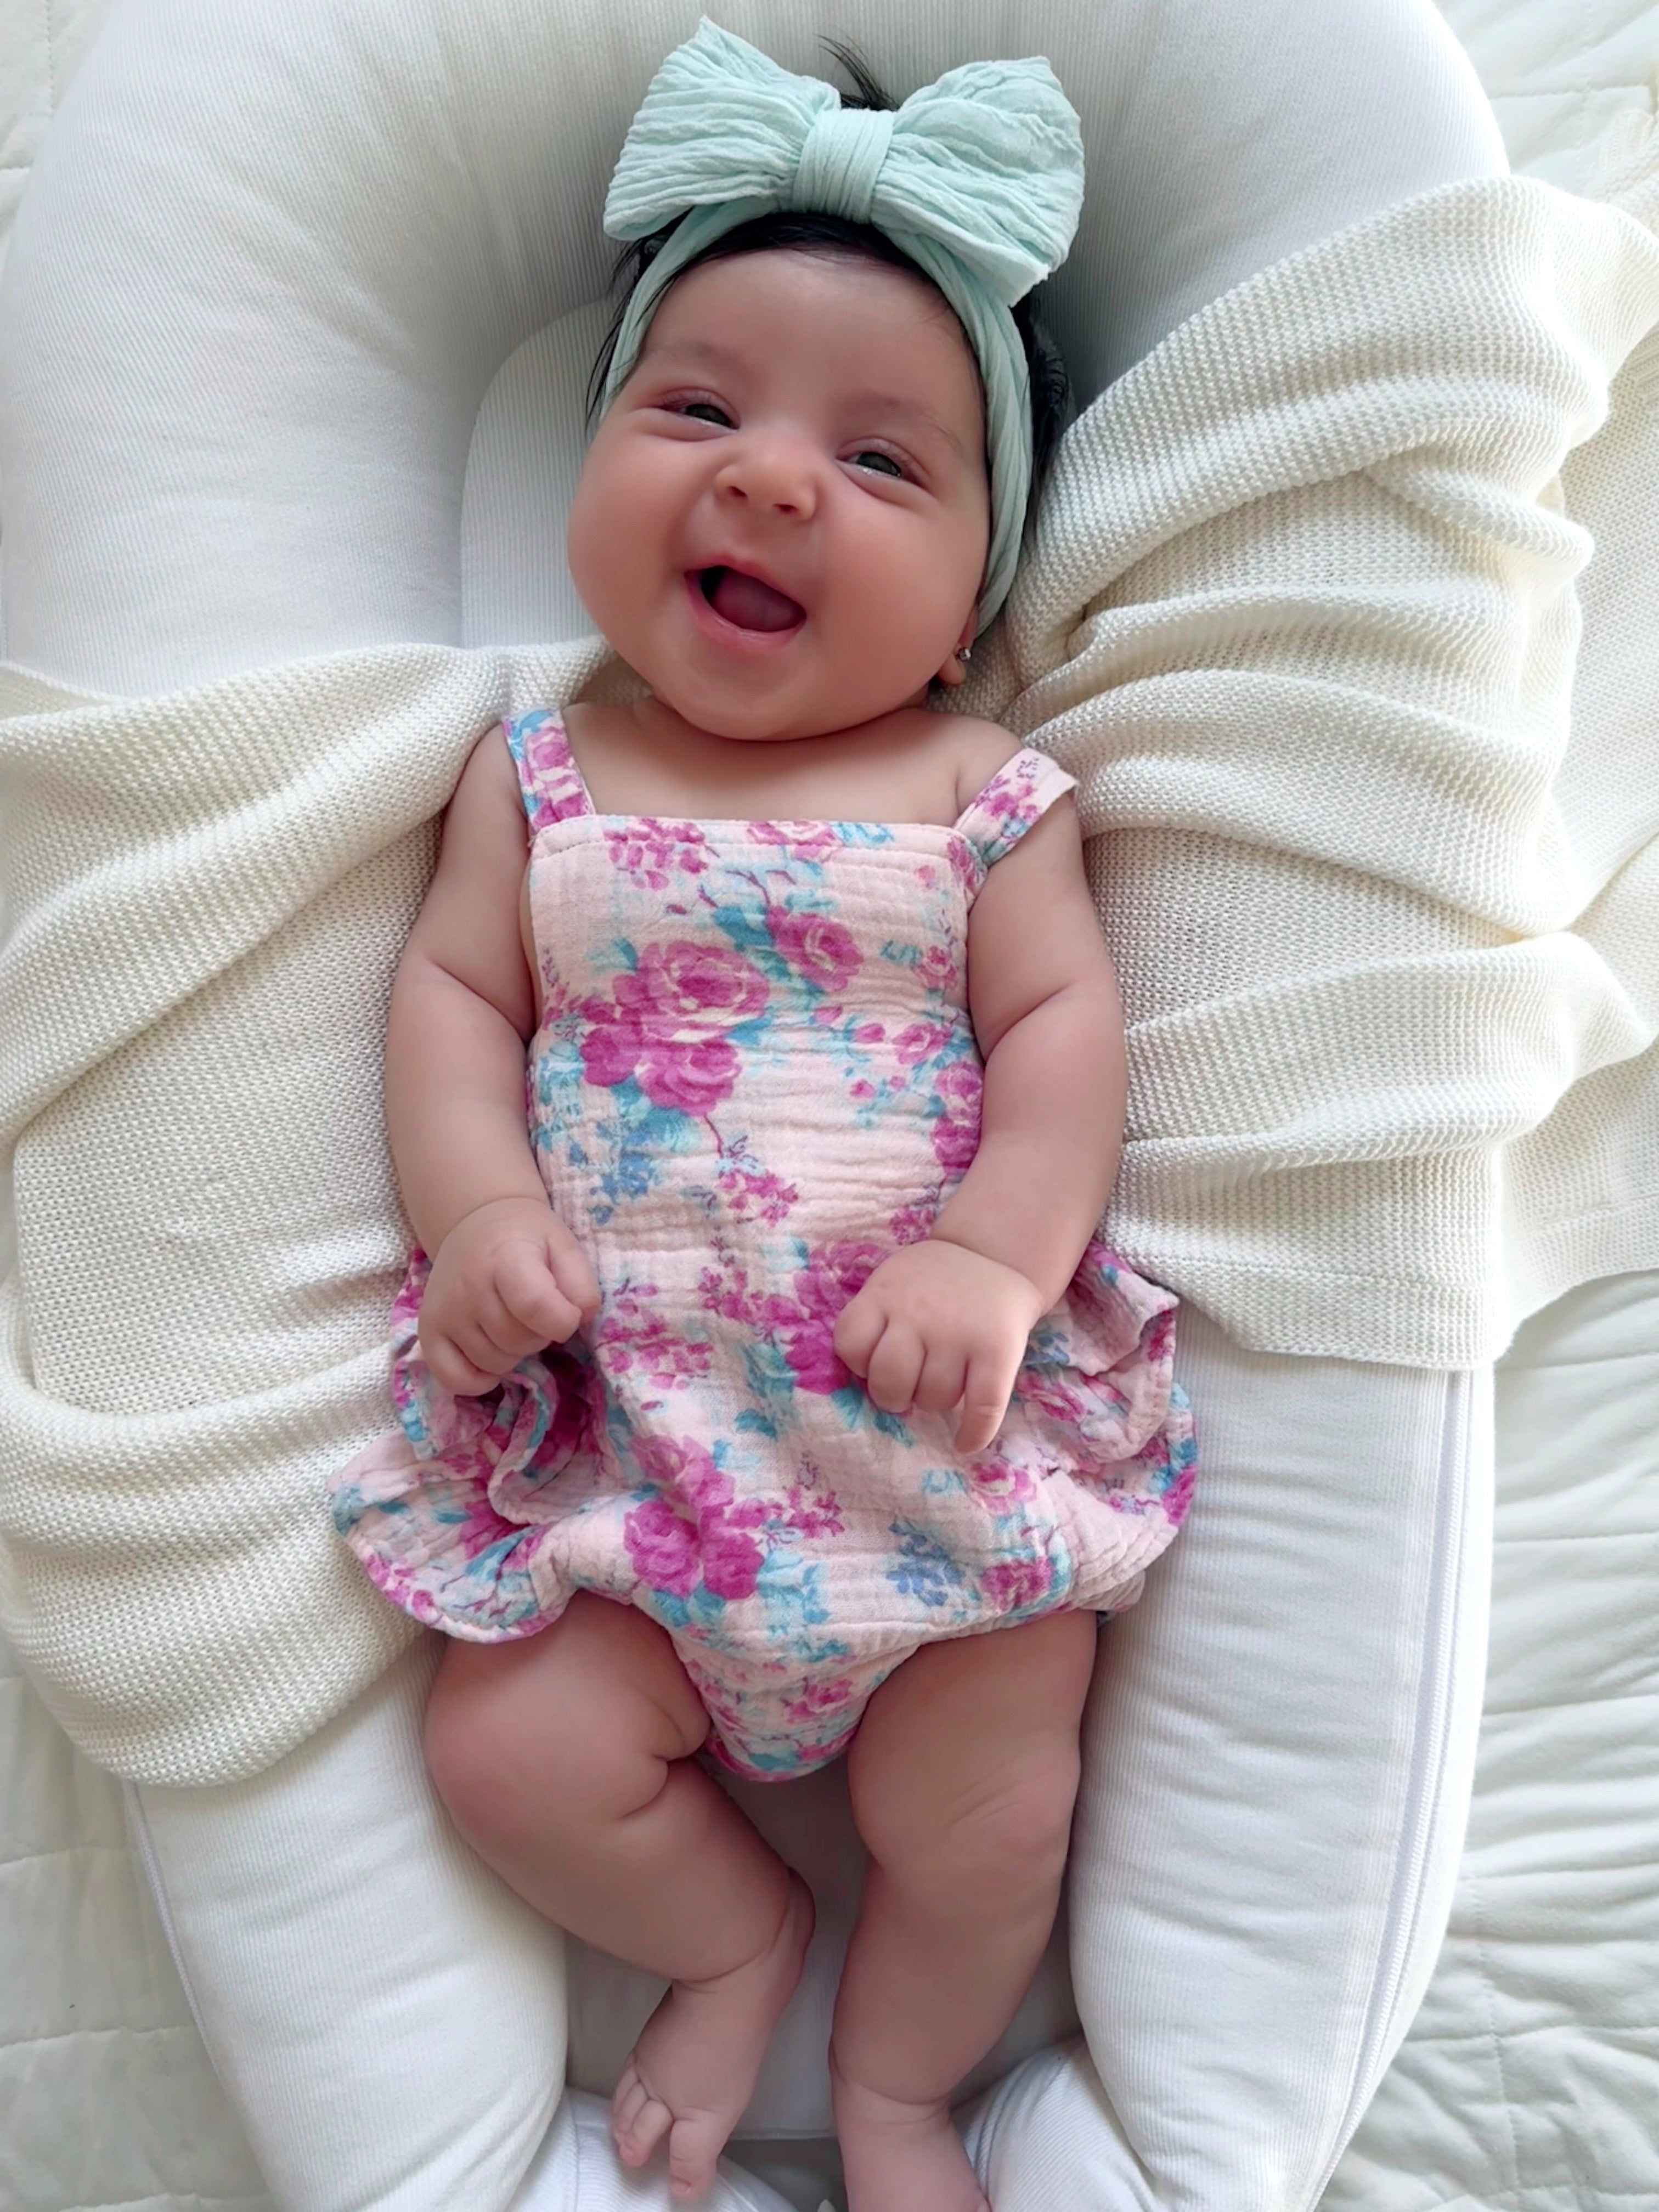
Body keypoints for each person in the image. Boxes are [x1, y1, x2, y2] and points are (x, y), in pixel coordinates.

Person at [332, 23, 1194, 2210]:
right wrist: (477, 1206)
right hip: (639, 1463)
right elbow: (447, 991)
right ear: (595, 459)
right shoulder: (537, 774)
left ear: (986, 590)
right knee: (503, 1752)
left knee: (998, 1803)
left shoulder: (978, 800)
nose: (776, 479)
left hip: (926, 1461)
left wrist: (1000, 1252)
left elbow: (1069, 1033)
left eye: (886, 466)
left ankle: (899, 2088)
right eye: (697, 408)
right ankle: (730, 1939)